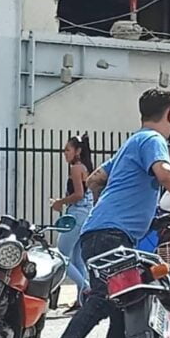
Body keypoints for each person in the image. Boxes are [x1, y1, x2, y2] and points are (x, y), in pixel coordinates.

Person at [54, 88, 170, 338]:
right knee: (103, 299)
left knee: (123, 310)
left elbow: (95, 178)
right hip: (111, 236)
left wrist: (115, 207)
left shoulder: (131, 144)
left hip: (101, 233)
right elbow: (165, 174)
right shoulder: (153, 140)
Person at [51, 134, 94, 314]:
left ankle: (86, 288)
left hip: (77, 214)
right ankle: (82, 301)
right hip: (85, 214)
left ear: (78, 151)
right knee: (77, 259)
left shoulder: (76, 168)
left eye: (67, 150)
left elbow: (78, 194)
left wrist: (60, 202)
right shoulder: (85, 167)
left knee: (61, 257)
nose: (64, 153)